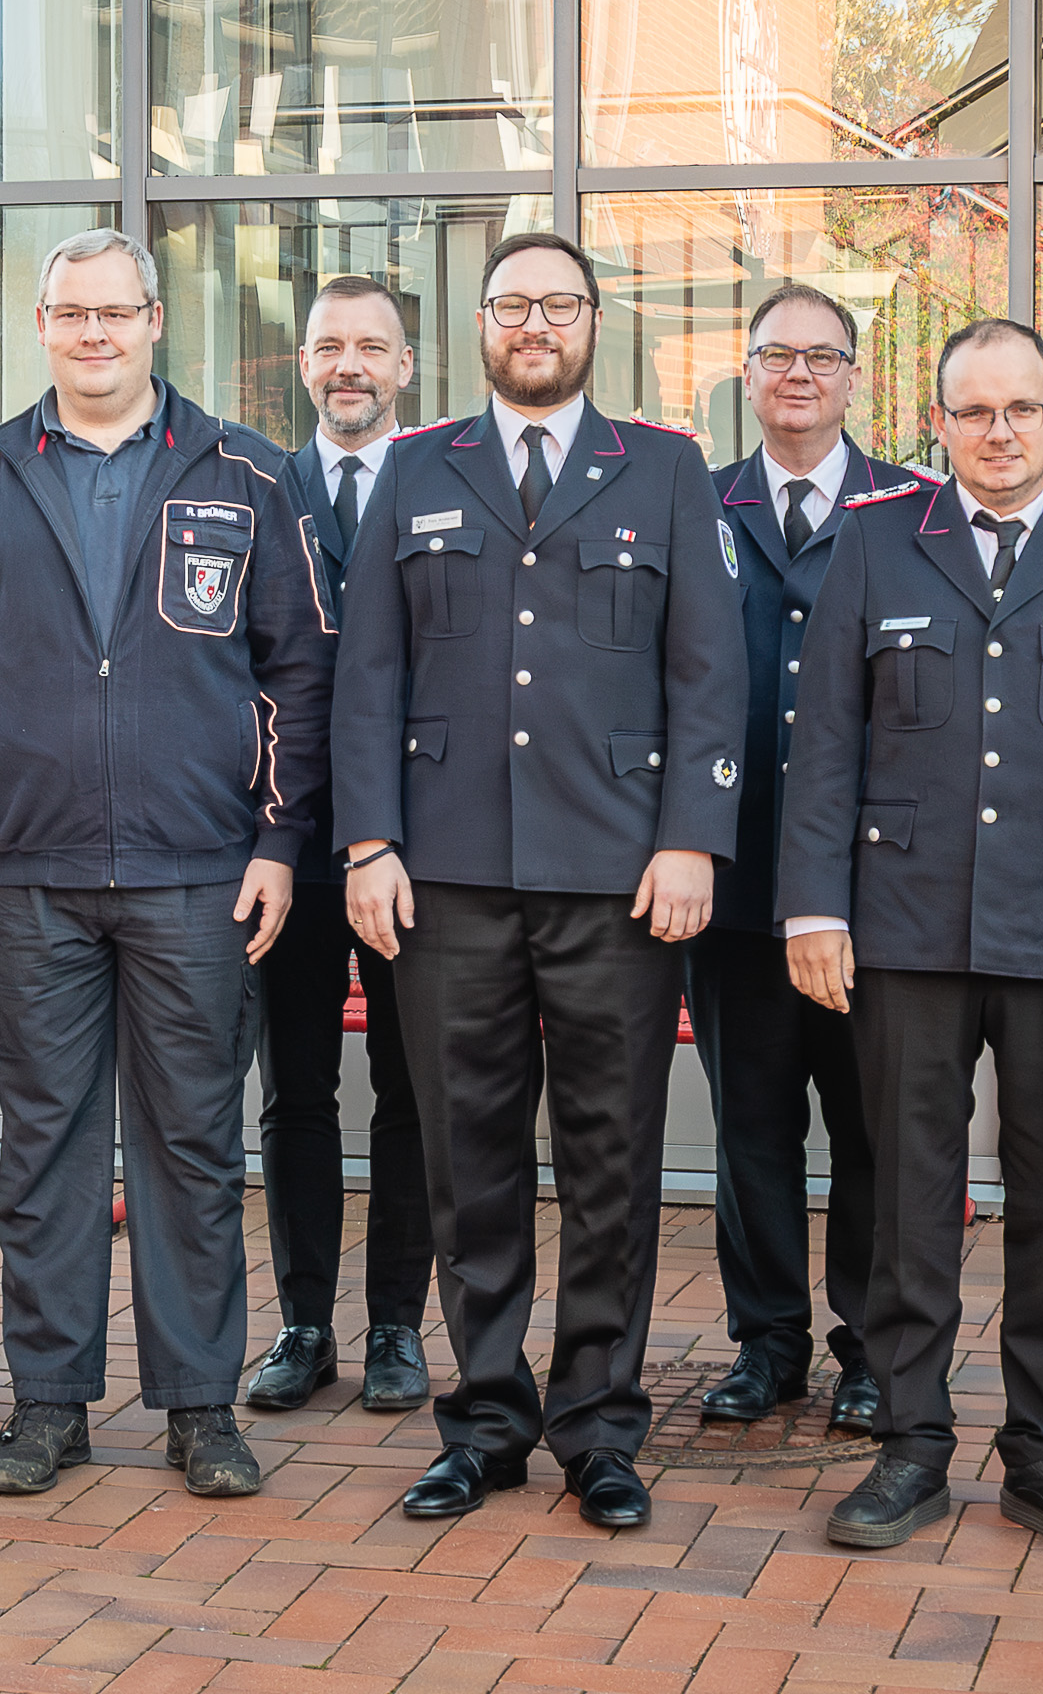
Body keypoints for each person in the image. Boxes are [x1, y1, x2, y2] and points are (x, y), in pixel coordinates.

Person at [0, 227, 334, 1500]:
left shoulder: (247, 473)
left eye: (115, 313)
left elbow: (300, 667)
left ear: (152, 321)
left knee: (192, 1145)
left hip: (201, 870)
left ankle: (201, 1406)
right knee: (45, 1146)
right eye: (70, 314)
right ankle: (47, 1401)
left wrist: (279, 834)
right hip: (24, 872)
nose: (94, 334)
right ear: (41, 327)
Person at [335, 229, 747, 1533]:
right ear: (479, 325)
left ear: (593, 321)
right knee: (468, 1161)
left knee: (612, 1156)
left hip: (620, 875)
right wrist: (366, 843)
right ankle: (490, 1419)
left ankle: (602, 1428)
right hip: (446, 873)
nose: (534, 325)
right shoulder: (414, 469)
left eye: (557, 305)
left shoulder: (667, 471)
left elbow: (708, 672)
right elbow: (368, 678)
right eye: (512, 304)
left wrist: (693, 838)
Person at [780, 318, 1043, 1559]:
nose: (1000, 432)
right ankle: (912, 1442)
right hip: (904, 927)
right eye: (974, 412)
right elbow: (825, 747)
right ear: (939, 422)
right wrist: (814, 906)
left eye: (1021, 408)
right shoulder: (874, 543)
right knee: (909, 1200)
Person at [689, 281, 927, 1435]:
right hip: (733, 883)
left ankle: (874, 1348)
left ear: (854, 377)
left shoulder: (918, 509)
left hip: (875, 891)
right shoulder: (692, 503)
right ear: (748, 372)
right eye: (777, 354)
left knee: (874, 1125)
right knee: (752, 1125)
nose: (799, 374)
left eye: (822, 356)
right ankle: (767, 1342)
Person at [245, 274, 435, 1416]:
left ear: (406, 365)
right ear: (304, 365)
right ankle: (306, 1321)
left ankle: (400, 1325)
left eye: (372, 345)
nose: (349, 363)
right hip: (287, 845)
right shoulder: (258, 487)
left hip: (412, 845)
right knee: (295, 1090)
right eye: (329, 345)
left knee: (412, 1090)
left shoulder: (444, 478)